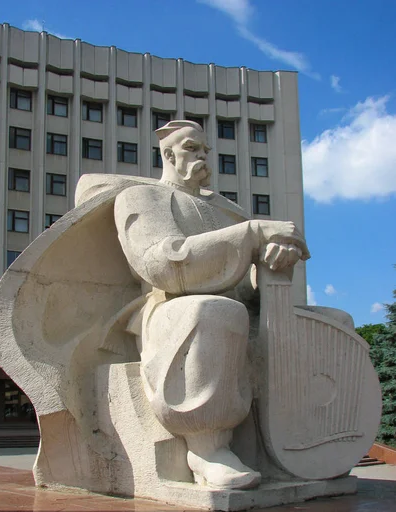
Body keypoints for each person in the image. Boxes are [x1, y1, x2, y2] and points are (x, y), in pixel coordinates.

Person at [114, 120, 310, 490]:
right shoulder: (142, 198)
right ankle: (207, 450)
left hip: (237, 312)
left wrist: (273, 262)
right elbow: (163, 264)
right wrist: (252, 234)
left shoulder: (228, 210)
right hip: (172, 309)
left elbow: (249, 290)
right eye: (192, 148)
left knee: (331, 319)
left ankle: (307, 443)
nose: (202, 156)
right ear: (168, 154)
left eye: (205, 150)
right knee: (216, 310)